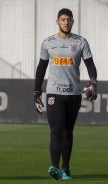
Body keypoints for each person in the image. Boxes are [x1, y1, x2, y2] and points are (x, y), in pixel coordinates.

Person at [34, 8, 97, 181]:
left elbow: (90, 65)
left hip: (74, 94)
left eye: (69, 19)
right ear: (57, 21)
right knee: (56, 130)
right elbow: (41, 68)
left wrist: (93, 82)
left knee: (68, 132)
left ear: (73, 21)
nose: (66, 22)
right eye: (63, 19)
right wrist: (37, 92)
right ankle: (54, 167)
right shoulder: (48, 42)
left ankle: (66, 169)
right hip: (54, 94)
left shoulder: (81, 42)